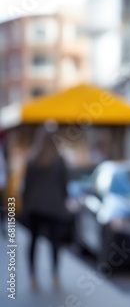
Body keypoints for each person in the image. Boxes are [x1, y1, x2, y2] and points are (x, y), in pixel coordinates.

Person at [21, 125, 71, 291]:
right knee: (54, 243)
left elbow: (27, 186)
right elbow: (64, 185)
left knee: (33, 242)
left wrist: (25, 204)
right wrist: (64, 201)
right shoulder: (60, 160)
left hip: (35, 207)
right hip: (54, 207)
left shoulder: (32, 159)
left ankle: (33, 277)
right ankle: (55, 276)